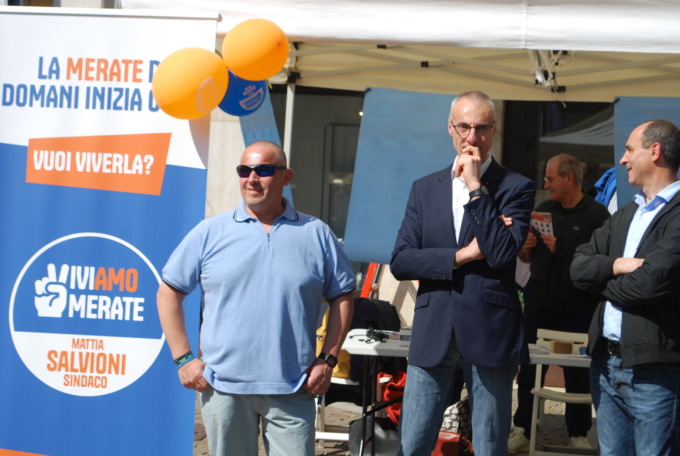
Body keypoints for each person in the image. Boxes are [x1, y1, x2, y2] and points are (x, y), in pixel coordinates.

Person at [156, 140, 356, 456]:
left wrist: (328, 360)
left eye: (263, 170)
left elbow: (343, 296)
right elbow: (169, 291)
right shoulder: (209, 232)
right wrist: (183, 358)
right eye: (244, 170)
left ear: (286, 177)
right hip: (223, 389)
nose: (252, 178)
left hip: (293, 387)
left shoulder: (316, 233)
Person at [390, 90, 535, 456]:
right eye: (464, 127)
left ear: (494, 131)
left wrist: (475, 187)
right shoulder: (425, 189)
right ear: (450, 128)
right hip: (434, 327)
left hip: (491, 330)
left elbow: (501, 253)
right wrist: (463, 255)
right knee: (413, 442)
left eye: (482, 128)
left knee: (489, 444)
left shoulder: (515, 187)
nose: (473, 137)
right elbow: (402, 261)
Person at [570, 120, 680, 456]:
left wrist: (600, 283)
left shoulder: (677, 215)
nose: (623, 159)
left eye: (630, 149)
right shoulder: (626, 214)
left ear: (655, 151)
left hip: (654, 372)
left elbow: (650, 283)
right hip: (605, 365)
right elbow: (577, 267)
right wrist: (617, 265)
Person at [508, 154, 610, 453]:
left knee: (578, 372)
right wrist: (526, 249)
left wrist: (562, 246)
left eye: (551, 178)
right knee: (529, 367)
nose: (546, 184)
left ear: (569, 178)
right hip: (540, 301)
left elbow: (601, 259)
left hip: (578, 306)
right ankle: (524, 428)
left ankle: (578, 432)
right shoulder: (543, 210)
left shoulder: (597, 214)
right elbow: (527, 258)